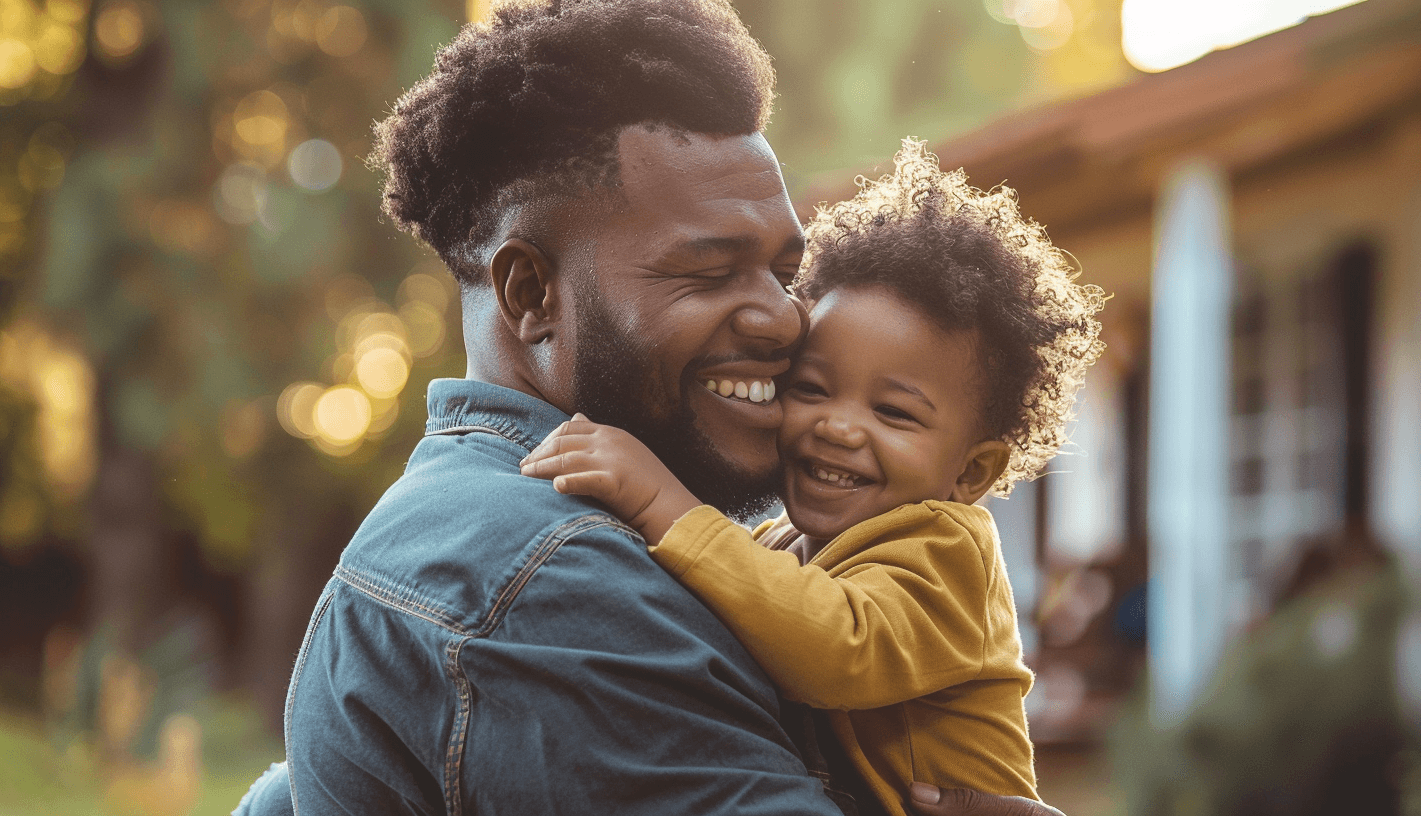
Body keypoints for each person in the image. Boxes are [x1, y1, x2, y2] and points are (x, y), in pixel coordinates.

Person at [236, 2, 1066, 814]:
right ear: (529, 293)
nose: (785, 318)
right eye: (708, 271)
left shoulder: (473, 527)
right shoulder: (552, 578)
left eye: (783, 273)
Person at [520, 139, 1105, 814]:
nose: (838, 426)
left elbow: (837, 646)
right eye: (813, 388)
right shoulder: (777, 544)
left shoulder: (947, 551)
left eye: (892, 412)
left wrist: (662, 500)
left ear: (970, 472)